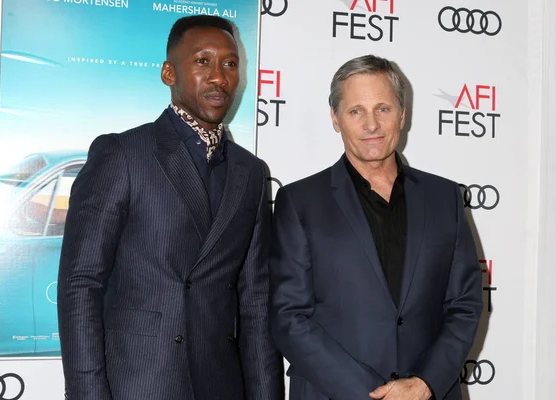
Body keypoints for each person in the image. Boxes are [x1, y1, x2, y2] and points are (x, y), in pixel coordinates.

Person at [57, 15, 283, 400]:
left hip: (221, 384)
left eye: (230, 64)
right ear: (168, 73)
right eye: (202, 61)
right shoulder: (124, 154)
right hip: (137, 382)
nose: (218, 77)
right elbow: (81, 285)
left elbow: (255, 301)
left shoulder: (250, 171)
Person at [269, 55, 483, 400]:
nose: (372, 124)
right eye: (356, 111)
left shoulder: (445, 197)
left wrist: (425, 384)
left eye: (383, 109)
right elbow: (288, 317)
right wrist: (372, 394)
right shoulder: (299, 201)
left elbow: (465, 304)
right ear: (335, 119)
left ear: (402, 114)